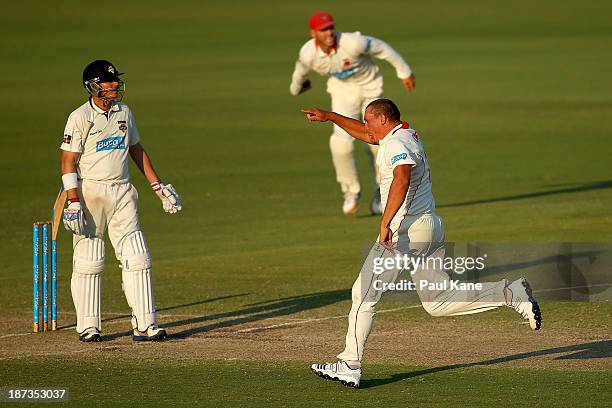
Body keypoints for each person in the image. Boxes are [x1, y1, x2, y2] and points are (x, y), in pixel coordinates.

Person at [301, 99, 542, 388]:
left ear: (383, 119)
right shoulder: (400, 134)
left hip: (406, 231)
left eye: (368, 120)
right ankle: (510, 293)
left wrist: (385, 221)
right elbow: (366, 136)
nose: (365, 127)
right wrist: (329, 116)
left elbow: (402, 179)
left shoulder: (396, 143)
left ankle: (350, 364)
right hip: (429, 227)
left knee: (363, 294)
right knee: (439, 301)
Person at [61, 60, 182, 342]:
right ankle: (88, 326)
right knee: (90, 260)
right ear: (93, 85)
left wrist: (157, 185)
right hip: (91, 192)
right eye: (108, 81)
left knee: (138, 257)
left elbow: (136, 150)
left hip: (123, 191)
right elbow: (68, 160)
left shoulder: (124, 112)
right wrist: (73, 200)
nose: (114, 85)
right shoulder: (79, 117)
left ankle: (145, 324)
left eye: (115, 80)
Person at [290, 11, 416, 215]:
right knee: (340, 143)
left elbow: (382, 48)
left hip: (370, 88)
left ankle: (381, 191)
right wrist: (296, 89)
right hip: (342, 92)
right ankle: (350, 191)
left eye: (331, 27)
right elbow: (300, 72)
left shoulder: (352, 42)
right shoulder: (308, 54)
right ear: (313, 33)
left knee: (379, 142)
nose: (329, 32)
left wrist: (405, 72)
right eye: (323, 30)